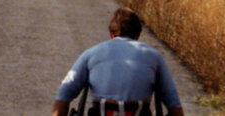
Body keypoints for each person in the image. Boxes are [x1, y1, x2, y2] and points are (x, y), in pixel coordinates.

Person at [52, 7, 185, 116]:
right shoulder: (155, 57)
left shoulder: (90, 54)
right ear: (138, 35)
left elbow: (63, 95)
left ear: (111, 34)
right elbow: (175, 106)